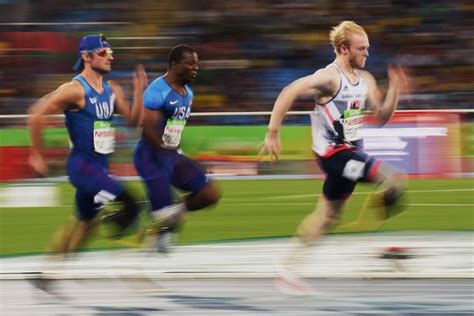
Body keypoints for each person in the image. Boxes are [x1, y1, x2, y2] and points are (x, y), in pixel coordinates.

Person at [259, 21, 410, 294]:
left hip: (352, 153)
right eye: (361, 48)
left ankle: (286, 271)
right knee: (393, 181)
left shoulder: (366, 80)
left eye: (368, 48)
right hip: (333, 155)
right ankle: (370, 245)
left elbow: (383, 117)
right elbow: (289, 91)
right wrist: (273, 130)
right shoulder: (329, 78)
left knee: (327, 216)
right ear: (343, 49)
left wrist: (396, 88)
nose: (367, 54)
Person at [27, 34, 148, 291]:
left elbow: (133, 122)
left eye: (111, 52)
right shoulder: (74, 89)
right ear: (86, 57)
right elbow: (35, 114)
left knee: (84, 224)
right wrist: (37, 154)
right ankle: (118, 241)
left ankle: (48, 274)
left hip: (100, 170)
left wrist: (139, 93)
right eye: (104, 53)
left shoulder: (112, 90)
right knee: (131, 203)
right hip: (82, 167)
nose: (111, 56)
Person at [131, 45, 221, 253]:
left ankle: (168, 216)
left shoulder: (188, 93)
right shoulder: (157, 90)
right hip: (150, 157)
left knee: (210, 195)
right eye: (190, 63)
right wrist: (166, 151)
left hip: (171, 155)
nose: (196, 68)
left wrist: (182, 156)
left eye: (196, 63)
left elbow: (174, 129)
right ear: (175, 65)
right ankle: (155, 228)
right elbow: (149, 129)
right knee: (163, 224)